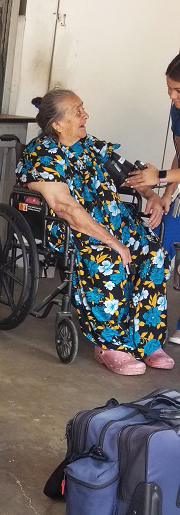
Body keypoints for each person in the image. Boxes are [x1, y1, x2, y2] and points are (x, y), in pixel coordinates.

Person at [17, 88, 173, 375]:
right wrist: (113, 242)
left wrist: (150, 194)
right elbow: (66, 208)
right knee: (109, 261)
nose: (85, 115)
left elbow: (127, 173)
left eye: (83, 108)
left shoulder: (90, 144)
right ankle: (110, 344)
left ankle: (147, 341)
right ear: (57, 124)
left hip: (116, 223)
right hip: (73, 230)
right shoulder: (41, 154)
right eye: (77, 111)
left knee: (154, 254)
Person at [125, 53, 180, 344]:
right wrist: (167, 193)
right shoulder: (178, 110)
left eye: (179, 90)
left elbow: (164, 173)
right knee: (161, 241)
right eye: (169, 89)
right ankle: (140, 326)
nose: (171, 97)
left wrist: (159, 178)